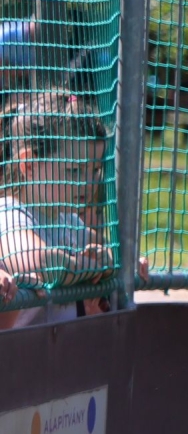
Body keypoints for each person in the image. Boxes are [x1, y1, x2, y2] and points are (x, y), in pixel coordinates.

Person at [0, 90, 115, 330]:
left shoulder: (68, 221)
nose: (88, 183)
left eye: (94, 170)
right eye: (74, 171)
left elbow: (113, 252)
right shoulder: (9, 215)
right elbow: (42, 263)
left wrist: (108, 259)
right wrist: (94, 268)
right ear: (29, 165)